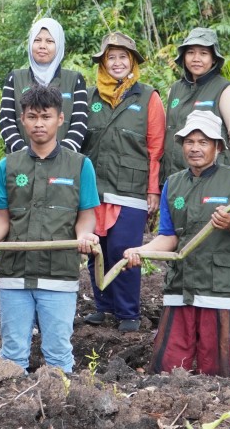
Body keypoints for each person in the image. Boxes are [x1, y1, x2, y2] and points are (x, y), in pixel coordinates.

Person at [0, 86, 99, 373]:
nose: (39, 123)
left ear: (60, 119)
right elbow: (2, 219)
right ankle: (9, 398)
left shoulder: (80, 165)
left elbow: (86, 216)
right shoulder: (8, 166)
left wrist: (84, 236)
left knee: (58, 352)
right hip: (14, 275)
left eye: (46, 116)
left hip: (59, 275)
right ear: (22, 120)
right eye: (32, 117)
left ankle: (61, 399)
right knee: (12, 353)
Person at [124, 110, 230, 376]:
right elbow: (169, 236)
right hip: (181, 288)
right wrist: (140, 251)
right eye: (189, 141)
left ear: (218, 147)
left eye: (203, 142)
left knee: (219, 374)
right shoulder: (173, 184)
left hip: (221, 291)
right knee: (167, 371)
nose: (195, 148)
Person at [81, 31, 165, 332]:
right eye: (111, 58)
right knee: (96, 249)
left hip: (131, 189)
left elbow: (156, 147)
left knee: (123, 250)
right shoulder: (88, 97)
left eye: (122, 57)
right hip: (94, 189)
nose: (117, 63)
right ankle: (103, 307)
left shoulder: (149, 97)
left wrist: (153, 189)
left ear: (132, 62)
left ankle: (129, 313)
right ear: (103, 63)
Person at [161, 28, 230, 184]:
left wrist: (227, 157)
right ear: (183, 57)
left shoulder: (225, 90)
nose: (196, 58)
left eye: (203, 53)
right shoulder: (174, 89)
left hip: (212, 177)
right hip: (174, 177)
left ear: (213, 59)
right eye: (190, 53)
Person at [0, 17, 88, 153]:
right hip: (20, 160)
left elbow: (80, 123)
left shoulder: (74, 80)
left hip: (65, 161)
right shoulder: (15, 78)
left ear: (59, 45)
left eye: (50, 41)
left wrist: (60, 155)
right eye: (37, 40)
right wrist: (25, 153)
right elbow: (6, 121)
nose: (42, 46)